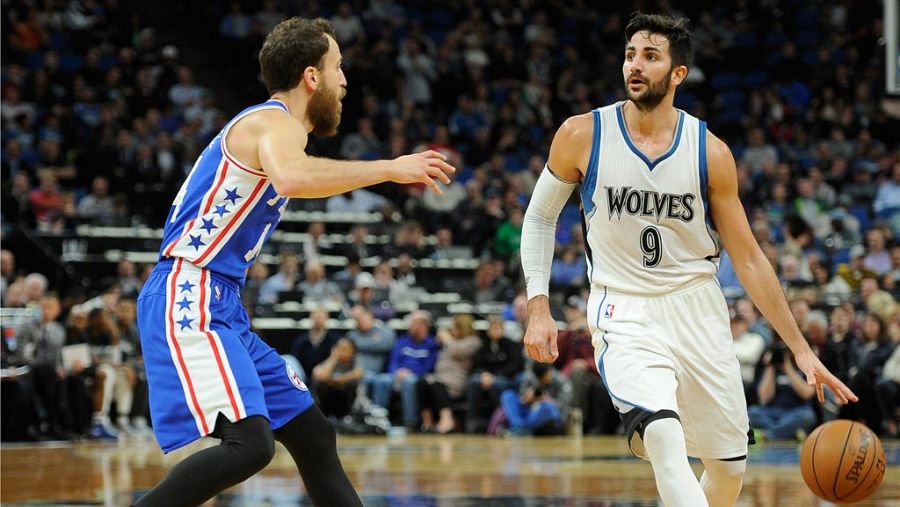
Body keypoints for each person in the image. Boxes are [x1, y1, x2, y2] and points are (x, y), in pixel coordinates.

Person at [520, 12, 856, 507]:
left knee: (727, 471)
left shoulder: (710, 152)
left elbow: (750, 259)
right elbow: (539, 218)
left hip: (697, 307)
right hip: (624, 308)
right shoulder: (582, 134)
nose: (635, 65)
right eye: (631, 54)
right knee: (662, 435)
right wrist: (538, 304)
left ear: (678, 73)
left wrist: (801, 349)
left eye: (651, 57)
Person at [134, 17, 454, 507]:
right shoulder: (272, 122)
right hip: (190, 292)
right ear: (311, 76)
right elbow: (291, 178)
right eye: (338, 67)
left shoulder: (275, 128)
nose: (345, 81)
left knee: (312, 433)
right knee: (250, 446)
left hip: (221, 302)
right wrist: (391, 168)